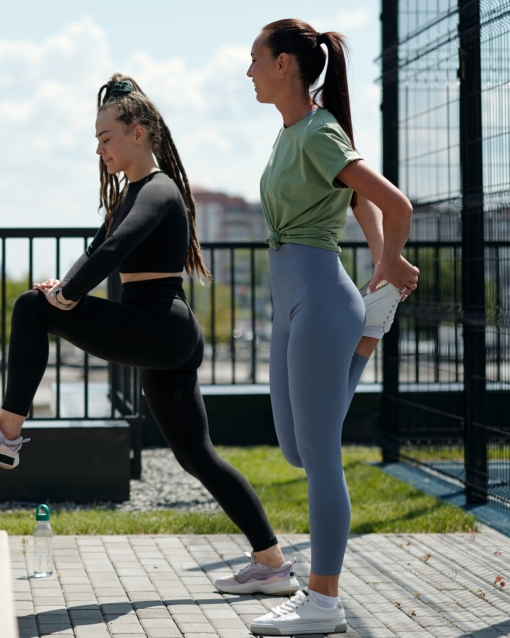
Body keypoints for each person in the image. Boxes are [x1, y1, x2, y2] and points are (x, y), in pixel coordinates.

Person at [0, 73, 301, 596]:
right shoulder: (133, 193)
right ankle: (272, 564)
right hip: (164, 334)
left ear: (138, 133)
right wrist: (63, 288)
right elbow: (95, 251)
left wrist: (63, 297)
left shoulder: (157, 189)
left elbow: (116, 249)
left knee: (28, 310)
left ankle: (6, 432)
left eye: (106, 138)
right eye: (96, 140)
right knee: (198, 456)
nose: (99, 148)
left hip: (159, 327)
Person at [238, 19, 419, 636]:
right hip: (291, 302)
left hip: (319, 297)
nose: (250, 71)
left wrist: (388, 259)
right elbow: (356, 198)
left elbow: (395, 204)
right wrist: (381, 260)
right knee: (293, 447)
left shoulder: (318, 130)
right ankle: (370, 332)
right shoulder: (292, 133)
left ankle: (323, 600)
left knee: (321, 456)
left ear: (285, 63)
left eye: (256, 59)